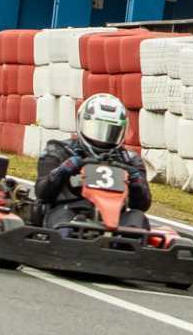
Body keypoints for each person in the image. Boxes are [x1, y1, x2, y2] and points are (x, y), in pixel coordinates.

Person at [35, 92, 152, 232]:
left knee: (137, 218)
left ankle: (126, 243)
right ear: (82, 123)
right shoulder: (59, 150)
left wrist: (136, 180)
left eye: (110, 131)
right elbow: (41, 193)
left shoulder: (129, 160)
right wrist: (64, 170)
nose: (103, 138)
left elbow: (142, 205)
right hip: (69, 210)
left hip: (116, 219)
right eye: (97, 129)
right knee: (65, 226)